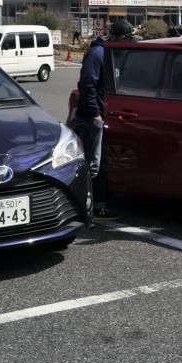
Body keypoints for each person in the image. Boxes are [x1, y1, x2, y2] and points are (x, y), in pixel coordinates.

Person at [73, 18, 136, 223]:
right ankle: (90, 208)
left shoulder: (111, 53)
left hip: (103, 113)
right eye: (128, 38)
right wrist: (95, 114)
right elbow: (87, 84)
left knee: (102, 163)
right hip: (92, 117)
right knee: (94, 165)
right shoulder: (98, 53)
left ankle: (97, 205)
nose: (129, 42)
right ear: (118, 37)